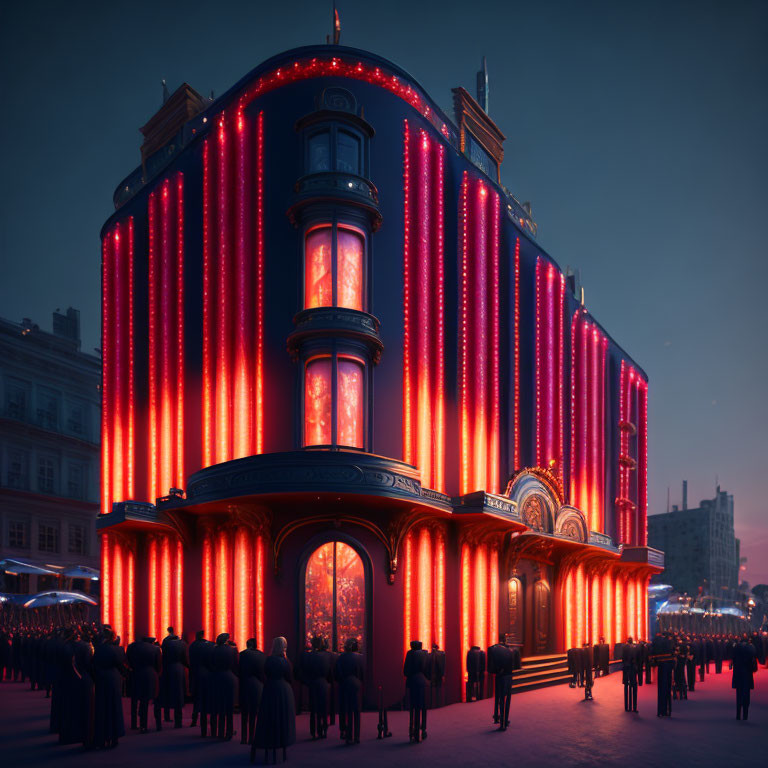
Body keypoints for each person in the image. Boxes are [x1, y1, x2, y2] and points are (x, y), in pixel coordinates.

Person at [251, 636, 296, 764]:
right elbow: (289, 676)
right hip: (283, 690)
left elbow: (265, 673)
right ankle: (282, 740)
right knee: (282, 716)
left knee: (269, 716)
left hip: (270, 689)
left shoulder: (269, 660)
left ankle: (268, 740)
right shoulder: (285, 661)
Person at [92, 627, 126, 749]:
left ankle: (103, 736)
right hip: (114, 679)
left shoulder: (99, 650)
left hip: (101, 679)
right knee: (114, 707)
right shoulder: (118, 650)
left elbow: (93, 665)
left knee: (102, 708)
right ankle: (115, 737)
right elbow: (121, 665)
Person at [336, 637, 365, 745]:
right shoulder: (360, 658)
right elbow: (363, 674)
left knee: (345, 710)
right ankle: (357, 736)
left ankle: (346, 734)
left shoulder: (341, 657)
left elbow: (337, 674)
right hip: (356, 685)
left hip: (344, 685)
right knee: (356, 710)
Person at [239, 638, 266, 744]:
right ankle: (252, 737)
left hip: (245, 685)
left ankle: (244, 738)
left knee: (244, 713)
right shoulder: (262, 655)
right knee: (254, 713)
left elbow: (239, 670)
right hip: (258, 686)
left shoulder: (242, 655)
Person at [133, 636, 163, 732]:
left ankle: (143, 725)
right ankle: (158, 725)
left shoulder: (136, 648)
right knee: (157, 700)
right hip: (152, 674)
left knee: (143, 701)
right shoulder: (155, 649)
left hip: (139, 674)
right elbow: (159, 664)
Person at [212, 633, 238, 740]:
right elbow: (236, 665)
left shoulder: (213, 650)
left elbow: (211, 664)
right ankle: (229, 732)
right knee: (229, 707)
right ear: (227, 640)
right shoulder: (232, 650)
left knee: (218, 706)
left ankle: (219, 732)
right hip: (229, 678)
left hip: (217, 678)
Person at [306, 636, 332, 740]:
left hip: (313, 683)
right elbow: (330, 671)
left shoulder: (309, 656)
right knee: (324, 708)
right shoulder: (327, 656)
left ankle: (314, 731)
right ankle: (324, 730)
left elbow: (306, 670)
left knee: (313, 709)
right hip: (324, 683)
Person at [161, 627, 188, 728]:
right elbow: (185, 659)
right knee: (178, 694)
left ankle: (167, 715)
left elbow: (162, 656)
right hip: (178, 669)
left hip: (167, 669)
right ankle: (178, 721)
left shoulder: (165, 642)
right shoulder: (182, 644)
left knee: (166, 692)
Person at [404, 640, 429, 742]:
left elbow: (405, 670)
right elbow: (427, 669)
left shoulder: (409, 654)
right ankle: (422, 730)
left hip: (412, 682)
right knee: (422, 707)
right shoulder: (424, 653)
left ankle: (412, 730)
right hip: (422, 681)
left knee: (413, 707)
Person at [732, 636, 757, 720]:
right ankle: (745, 715)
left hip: (738, 673)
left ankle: (738, 714)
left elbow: (733, 658)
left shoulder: (736, 647)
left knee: (738, 694)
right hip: (747, 674)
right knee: (746, 694)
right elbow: (754, 656)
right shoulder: (750, 648)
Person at [188, 630, 207, 728]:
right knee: (205, 697)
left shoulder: (192, 646)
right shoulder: (207, 645)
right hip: (205, 674)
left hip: (195, 673)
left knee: (196, 698)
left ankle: (194, 719)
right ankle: (205, 720)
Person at [622, 637, 638, 712]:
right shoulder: (634, 648)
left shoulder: (624, 647)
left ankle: (626, 707)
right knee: (634, 687)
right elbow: (637, 659)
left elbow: (622, 658)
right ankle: (634, 707)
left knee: (626, 686)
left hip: (625, 669)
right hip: (632, 669)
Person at [428, 643, 446, 708]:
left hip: (431, 674)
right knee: (438, 690)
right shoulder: (442, 654)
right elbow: (443, 665)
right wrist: (443, 674)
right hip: (439, 674)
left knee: (431, 690)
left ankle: (431, 704)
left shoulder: (429, 655)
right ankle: (438, 704)